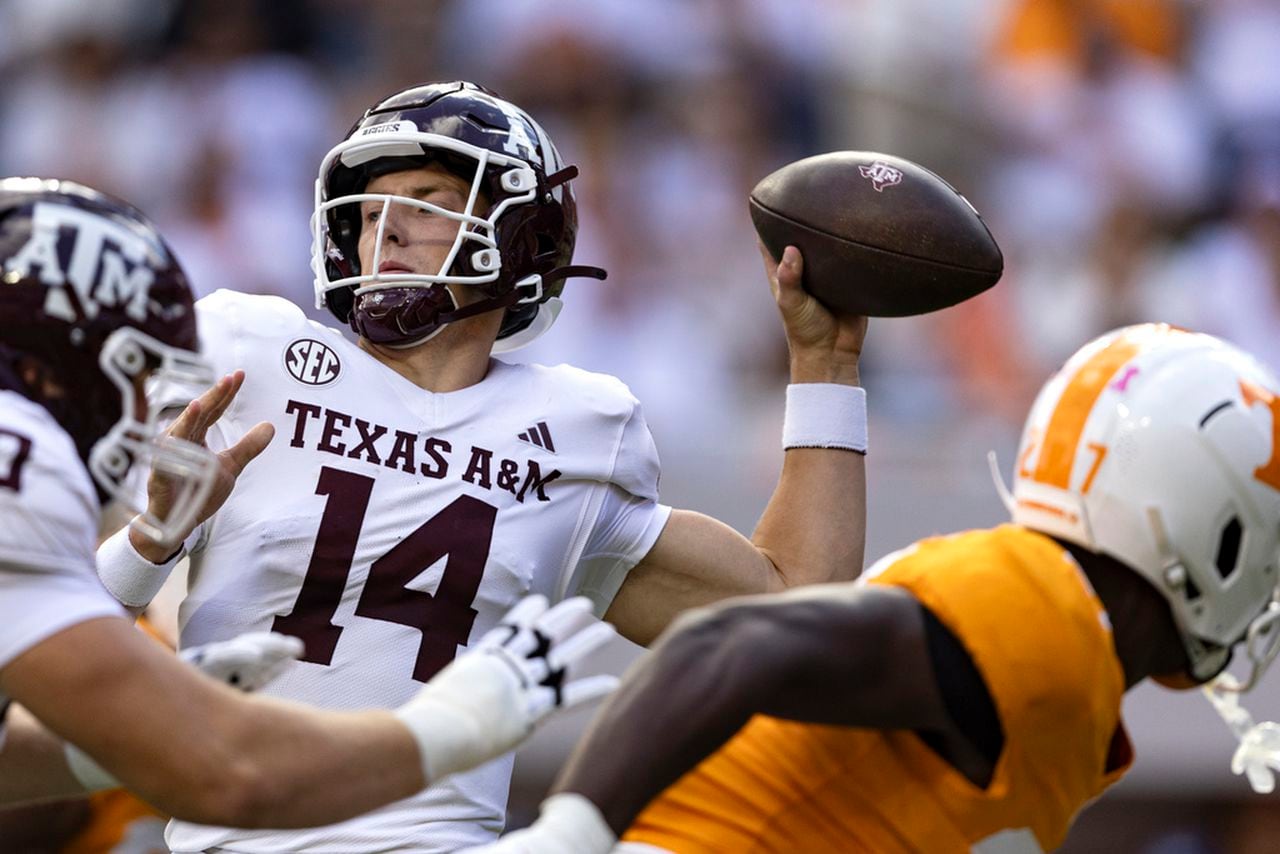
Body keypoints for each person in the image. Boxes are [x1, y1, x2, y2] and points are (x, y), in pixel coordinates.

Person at [93, 80, 869, 851]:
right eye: (369, 212)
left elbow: (795, 611)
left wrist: (824, 362)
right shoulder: (246, 358)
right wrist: (151, 539)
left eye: (425, 202)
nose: (384, 231)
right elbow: (37, 633)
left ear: (520, 236)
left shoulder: (575, 433)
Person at [477, 322, 1280, 854]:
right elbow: (733, 640)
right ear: (1219, 529)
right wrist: (569, 836)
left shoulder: (1075, 673)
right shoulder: (1044, 612)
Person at [0, 177, 618, 828]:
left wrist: (165, 722)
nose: (133, 408)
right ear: (43, 362)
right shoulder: (21, 451)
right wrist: (454, 728)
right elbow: (232, 778)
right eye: (129, 370)